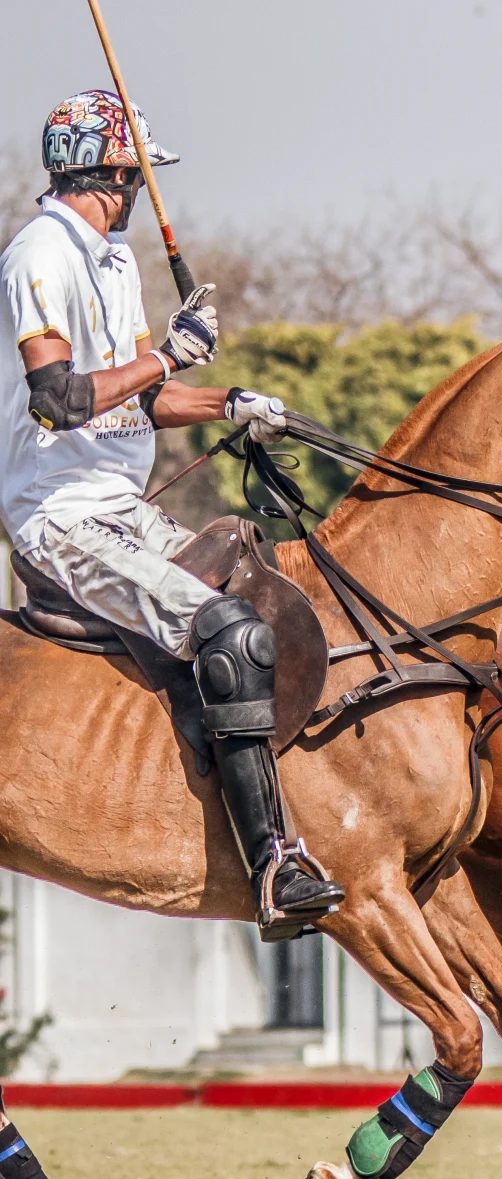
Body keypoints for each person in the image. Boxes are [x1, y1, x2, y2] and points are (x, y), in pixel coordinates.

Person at [3, 91, 343, 936]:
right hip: (60, 520)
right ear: (113, 171)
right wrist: (165, 353)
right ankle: (272, 865)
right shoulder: (40, 252)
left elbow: (132, 404)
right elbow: (60, 399)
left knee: (268, 593)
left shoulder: (113, 262)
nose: (145, 191)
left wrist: (229, 402)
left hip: (123, 503)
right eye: (140, 175)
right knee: (230, 631)